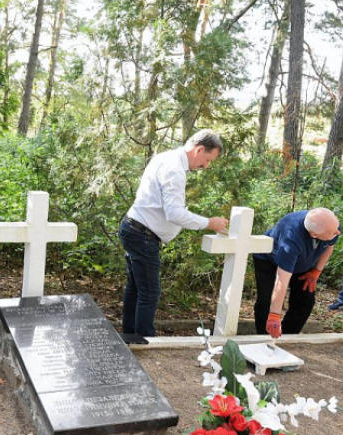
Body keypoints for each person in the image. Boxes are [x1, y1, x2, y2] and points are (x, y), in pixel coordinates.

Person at [119, 130, 229, 338]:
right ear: (198, 149)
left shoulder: (165, 157)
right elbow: (174, 213)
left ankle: (130, 337)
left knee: (136, 287)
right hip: (142, 234)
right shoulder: (174, 169)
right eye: (207, 159)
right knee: (150, 292)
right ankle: (144, 342)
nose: (205, 166)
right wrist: (209, 223)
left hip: (135, 228)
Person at [253, 208, 340, 338]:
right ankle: (264, 340)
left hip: (302, 262)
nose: (337, 232)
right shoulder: (291, 240)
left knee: (305, 301)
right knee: (265, 302)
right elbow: (281, 281)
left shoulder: (330, 225)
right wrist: (274, 315)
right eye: (333, 232)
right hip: (269, 260)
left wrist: (316, 271)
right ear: (314, 235)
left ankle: (286, 337)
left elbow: (330, 245)